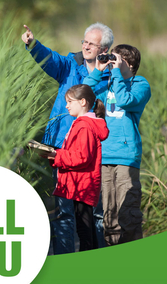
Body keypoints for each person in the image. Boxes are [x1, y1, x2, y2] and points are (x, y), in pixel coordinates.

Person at [22, 23, 114, 254]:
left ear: (104, 48)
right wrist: (33, 44)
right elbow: (50, 59)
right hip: (61, 146)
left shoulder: (109, 78)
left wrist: (99, 73)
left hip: (91, 152)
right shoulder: (70, 65)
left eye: (91, 43)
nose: (85, 46)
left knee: (93, 213)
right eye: (84, 41)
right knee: (63, 210)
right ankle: (64, 257)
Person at [83, 45, 151, 245]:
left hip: (126, 157)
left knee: (127, 213)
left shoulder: (140, 84)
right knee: (109, 215)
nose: (112, 63)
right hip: (104, 155)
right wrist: (98, 70)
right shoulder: (109, 85)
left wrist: (116, 74)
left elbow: (124, 100)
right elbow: (83, 94)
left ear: (129, 63)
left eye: (116, 60)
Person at [47, 85, 109, 251]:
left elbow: (82, 157)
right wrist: (56, 155)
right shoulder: (83, 124)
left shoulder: (84, 126)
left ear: (82, 102)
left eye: (69, 102)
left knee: (84, 231)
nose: (66, 105)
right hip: (82, 183)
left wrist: (57, 157)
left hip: (82, 185)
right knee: (86, 230)